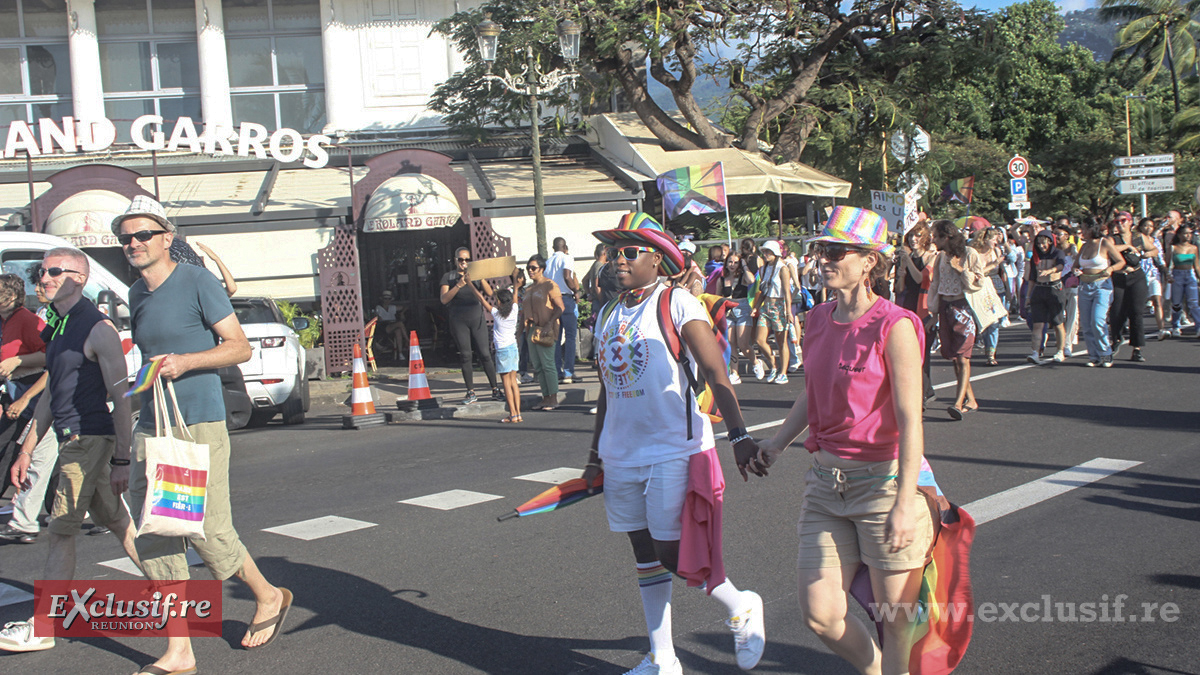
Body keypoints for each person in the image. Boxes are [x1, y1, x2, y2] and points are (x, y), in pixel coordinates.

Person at [113, 196, 292, 673]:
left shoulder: (196, 281)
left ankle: (268, 594)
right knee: (155, 533)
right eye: (125, 237)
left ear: (167, 238)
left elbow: (239, 347)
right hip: (153, 422)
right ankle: (178, 650)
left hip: (198, 419)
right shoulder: (137, 294)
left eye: (142, 234)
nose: (133, 243)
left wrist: (186, 361)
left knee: (208, 529)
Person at [756, 206, 933, 675]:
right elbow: (813, 396)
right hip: (825, 486)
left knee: (895, 622)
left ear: (869, 261)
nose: (823, 259)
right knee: (820, 614)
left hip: (882, 485)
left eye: (835, 251)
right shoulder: (816, 320)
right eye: (821, 250)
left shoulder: (893, 325)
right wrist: (777, 444)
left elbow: (910, 420)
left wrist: (902, 500)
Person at [586, 212, 766, 675]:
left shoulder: (677, 302)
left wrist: (740, 434)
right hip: (622, 454)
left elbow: (715, 372)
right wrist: (594, 456)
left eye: (630, 252)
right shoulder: (607, 312)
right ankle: (663, 658)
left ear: (659, 260)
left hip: (673, 447)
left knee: (672, 551)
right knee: (645, 556)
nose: (616, 260)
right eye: (613, 252)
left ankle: (740, 602)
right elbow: (608, 388)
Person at [1, 247, 143, 654]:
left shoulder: (98, 329)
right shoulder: (56, 327)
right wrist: (27, 448)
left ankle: (42, 626)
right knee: (120, 526)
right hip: (71, 439)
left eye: (53, 272)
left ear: (79, 278)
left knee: (61, 533)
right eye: (40, 271)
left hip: (88, 440)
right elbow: (51, 392)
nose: (42, 278)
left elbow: (122, 397)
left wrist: (122, 457)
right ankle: (176, 590)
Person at [0, 277, 56, 544]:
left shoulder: (26, 319)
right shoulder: (6, 321)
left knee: (37, 457)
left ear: (11, 297)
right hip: (16, 393)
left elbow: (50, 357)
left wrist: (16, 361)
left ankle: (24, 522)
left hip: (37, 393)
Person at [928, 219, 983, 420]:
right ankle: (971, 399)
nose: (934, 240)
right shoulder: (940, 257)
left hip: (964, 308)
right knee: (954, 356)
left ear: (947, 236)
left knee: (963, 356)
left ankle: (958, 403)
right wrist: (933, 313)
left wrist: (961, 269)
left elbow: (979, 281)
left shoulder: (970, 254)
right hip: (946, 309)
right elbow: (935, 284)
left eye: (936, 236)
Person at [440, 247, 502, 404]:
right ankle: (470, 392)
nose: (464, 263)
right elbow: (444, 299)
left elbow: (489, 293)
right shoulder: (449, 277)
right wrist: (459, 285)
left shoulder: (475, 275)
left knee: (485, 354)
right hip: (459, 320)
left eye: (467, 260)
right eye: (461, 260)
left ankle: (495, 389)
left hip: (476, 318)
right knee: (466, 355)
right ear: (455, 260)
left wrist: (479, 277)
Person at [1072, 219, 1125, 367]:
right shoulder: (1083, 246)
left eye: (1083, 228)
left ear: (1091, 228)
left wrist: (1110, 269)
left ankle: (1106, 353)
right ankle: (1094, 356)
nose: (1081, 231)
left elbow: (1120, 261)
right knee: (1087, 324)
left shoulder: (1105, 243)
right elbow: (1075, 265)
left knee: (1097, 320)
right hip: (1085, 286)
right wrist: (1076, 270)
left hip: (1102, 286)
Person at [470, 284, 522, 422]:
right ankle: (518, 414)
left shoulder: (497, 314)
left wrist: (469, 283)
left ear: (500, 302)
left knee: (506, 384)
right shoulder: (515, 310)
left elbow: (481, 298)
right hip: (513, 348)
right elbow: (516, 292)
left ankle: (512, 414)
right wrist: (516, 279)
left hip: (503, 350)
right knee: (513, 383)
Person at [1108, 212, 1153, 362]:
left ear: (1130, 222)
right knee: (1116, 311)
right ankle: (1116, 339)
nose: (1120, 224)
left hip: (1137, 276)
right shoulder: (1112, 239)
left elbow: (1154, 249)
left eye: (1123, 221)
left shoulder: (1139, 237)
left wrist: (1145, 254)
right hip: (1119, 277)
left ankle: (1137, 349)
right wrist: (1127, 246)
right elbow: (1110, 249)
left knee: (1136, 312)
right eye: (1117, 221)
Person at [523, 255, 564, 411]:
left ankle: (553, 398)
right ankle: (545, 397)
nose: (530, 271)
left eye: (533, 268)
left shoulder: (549, 285)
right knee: (538, 366)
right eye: (528, 268)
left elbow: (560, 307)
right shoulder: (528, 288)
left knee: (548, 364)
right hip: (532, 330)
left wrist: (549, 323)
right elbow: (523, 313)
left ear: (542, 269)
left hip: (546, 329)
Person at [751, 240, 793, 384]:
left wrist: (789, 311)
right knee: (759, 340)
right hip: (766, 306)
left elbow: (787, 292)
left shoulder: (783, 268)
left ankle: (783, 372)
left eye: (768, 251)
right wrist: (756, 307)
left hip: (779, 306)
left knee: (781, 342)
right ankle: (773, 364)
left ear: (775, 253)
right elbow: (763, 290)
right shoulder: (764, 269)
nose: (765, 254)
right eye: (764, 251)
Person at [1025, 230, 1067, 365]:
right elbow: (1032, 277)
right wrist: (1028, 296)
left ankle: (1060, 351)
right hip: (1039, 289)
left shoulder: (1057, 253)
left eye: (1043, 243)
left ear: (1050, 241)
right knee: (1038, 324)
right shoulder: (1035, 257)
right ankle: (1035, 352)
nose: (1041, 246)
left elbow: (1061, 265)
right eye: (1038, 243)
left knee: (1057, 322)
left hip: (1054, 289)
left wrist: (1050, 270)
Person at [544, 237, 579, 383]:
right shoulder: (567, 258)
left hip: (552, 300)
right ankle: (569, 372)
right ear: (565, 247)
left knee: (556, 337)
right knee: (570, 336)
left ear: (553, 247)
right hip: (565, 298)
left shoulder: (547, 262)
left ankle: (557, 371)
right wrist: (576, 289)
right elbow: (567, 276)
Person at [970, 228, 1004, 366]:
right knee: (980, 319)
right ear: (985, 239)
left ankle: (991, 353)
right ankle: (977, 341)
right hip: (979, 288)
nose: (996, 241)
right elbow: (975, 272)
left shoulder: (996, 251)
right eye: (993, 239)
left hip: (995, 286)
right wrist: (993, 264)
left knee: (994, 321)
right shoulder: (974, 253)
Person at [722, 252, 755, 384]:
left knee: (743, 343)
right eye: (730, 262)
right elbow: (718, 295)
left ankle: (755, 361)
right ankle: (734, 373)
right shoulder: (723, 278)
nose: (732, 265)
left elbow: (751, 280)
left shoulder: (743, 277)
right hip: (728, 311)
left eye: (735, 262)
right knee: (731, 343)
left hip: (742, 310)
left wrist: (744, 266)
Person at [1165, 222, 1200, 336]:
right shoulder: (1174, 248)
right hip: (1177, 275)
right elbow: (1167, 264)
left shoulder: (1194, 248)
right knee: (1176, 303)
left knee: (1193, 303)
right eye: (1185, 234)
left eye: (1189, 234)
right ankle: (1176, 326)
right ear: (1179, 235)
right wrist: (1168, 275)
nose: (1188, 236)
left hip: (1190, 275)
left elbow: (1197, 265)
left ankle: (1198, 326)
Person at [1054, 220, 1080, 355]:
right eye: (1055, 234)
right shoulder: (1053, 250)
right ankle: (1060, 341)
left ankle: (1067, 343)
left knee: (1072, 314)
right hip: (1057, 285)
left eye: (1060, 234)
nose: (1057, 237)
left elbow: (1078, 261)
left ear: (1067, 235)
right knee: (1058, 315)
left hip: (1072, 284)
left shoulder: (1073, 248)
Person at [373, 290, 408, 361]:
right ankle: (408, 341)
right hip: (383, 326)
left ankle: (400, 353)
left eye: (389, 299)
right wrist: (377, 316)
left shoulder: (392, 307)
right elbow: (376, 318)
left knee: (398, 331)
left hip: (392, 325)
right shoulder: (378, 308)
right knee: (400, 323)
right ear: (382, 299)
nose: (387, 300)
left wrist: (402, 313)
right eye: (385, 299)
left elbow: (406, 307)